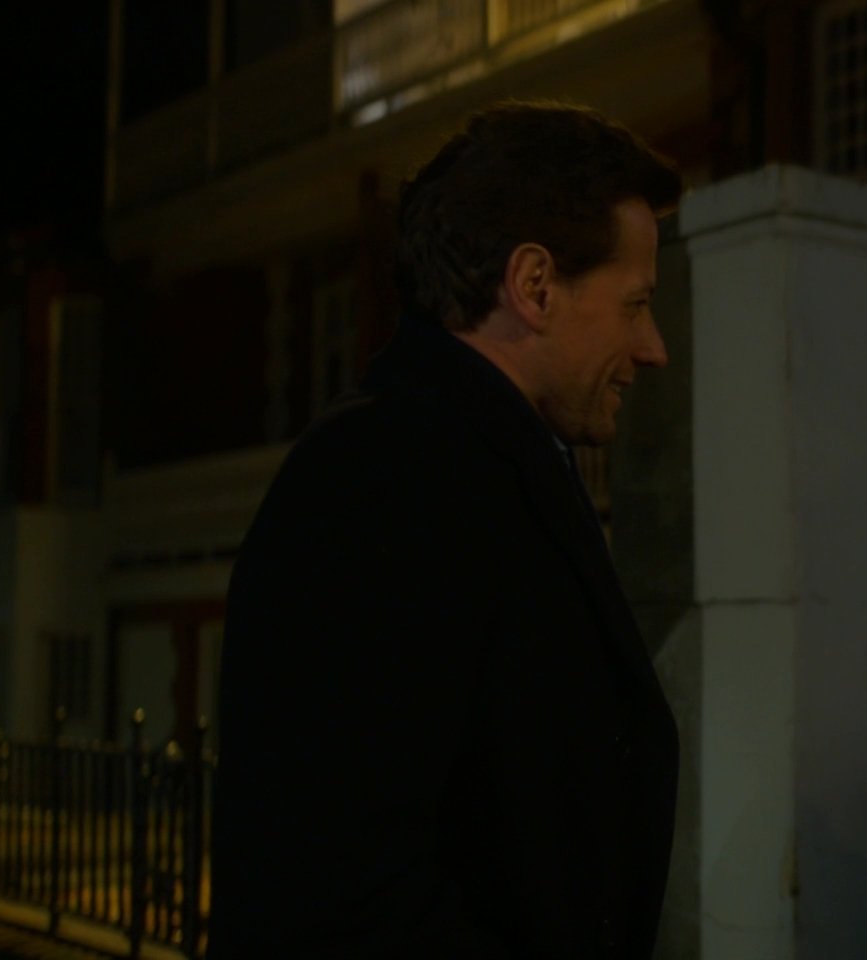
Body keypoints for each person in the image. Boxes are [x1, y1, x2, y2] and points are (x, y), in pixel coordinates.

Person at [210, 101, 683, 959]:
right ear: (534, 286)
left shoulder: (483, 460)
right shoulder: (383, 478)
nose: (653, 347)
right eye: (636, 303)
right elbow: (339, 890)